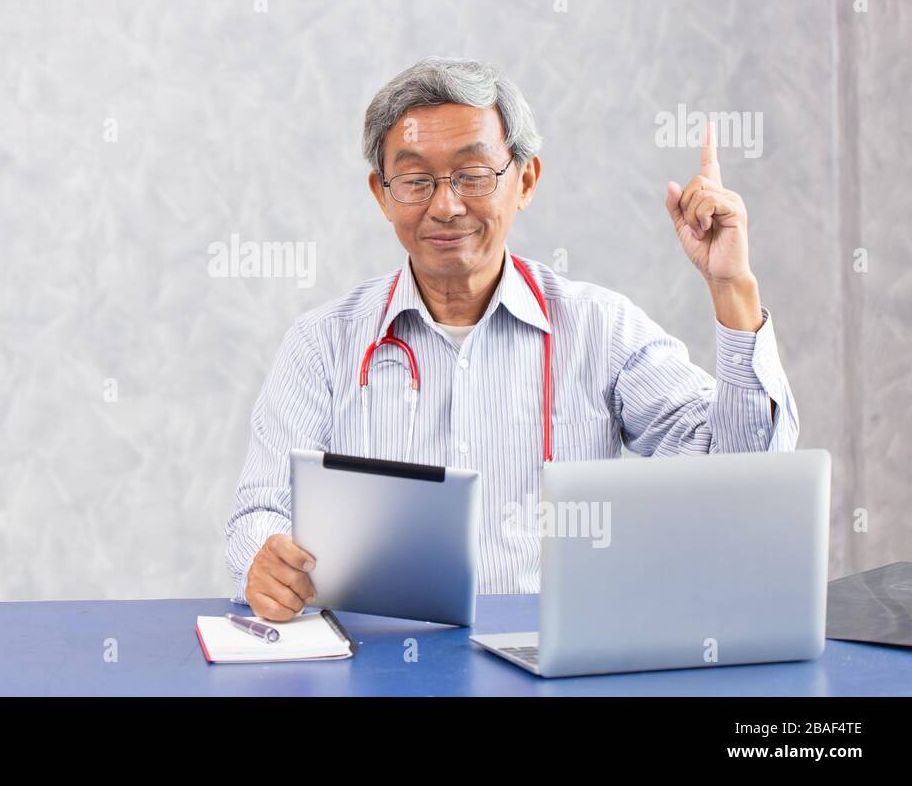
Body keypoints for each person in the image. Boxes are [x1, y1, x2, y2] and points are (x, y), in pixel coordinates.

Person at [224, 57, 798, 622]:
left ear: (525, 180)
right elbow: (258, 512)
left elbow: (739, 474)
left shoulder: (601, 330)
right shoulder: (321, 344)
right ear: (382, 194)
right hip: (377, 663)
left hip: (552, 660)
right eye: (416, 180)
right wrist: (264, 560)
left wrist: (733, 288)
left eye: (473, 175)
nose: (445, 206)